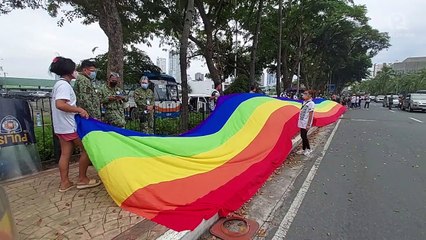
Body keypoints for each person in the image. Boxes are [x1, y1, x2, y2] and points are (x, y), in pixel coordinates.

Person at [49, 57, 101, 192]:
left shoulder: (58, 84)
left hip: (61, 127)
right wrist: (79, 109)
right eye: (74, 69)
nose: (76, 71)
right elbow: (60, 104)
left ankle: (65, 183)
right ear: (68, 71)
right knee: (87, 150)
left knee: (65, 154)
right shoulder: (64, 86)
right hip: (69, 126)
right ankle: (83, 179)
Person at [296, 90, 315, 156]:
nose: (304, 95)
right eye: (304, 93)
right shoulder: (304, 102)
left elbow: (310, 114)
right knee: (302, 135)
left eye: (306, 94)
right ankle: (304, 149)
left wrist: (308, 124)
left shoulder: (311, 103)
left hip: (306, 122)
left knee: (304, 136)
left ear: (310, 95)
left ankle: (308, 149)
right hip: (302, 121)